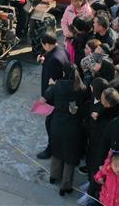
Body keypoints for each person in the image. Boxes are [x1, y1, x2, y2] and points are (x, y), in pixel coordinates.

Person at [43, 63, 88, 196]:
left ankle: (54, 175)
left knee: (57, 150)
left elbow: (47, 97)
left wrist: (51, 85)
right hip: (73, 127)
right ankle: (65, 185)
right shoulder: (82, 88)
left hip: (57, 123)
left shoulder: (58, 85)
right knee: (70, 156)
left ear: (64, 73)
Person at [36, 32, 72, 160]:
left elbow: (53, 83)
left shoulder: (53, 60)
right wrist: (43, 60)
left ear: (47, 44)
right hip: (60, 95)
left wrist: (45, 98)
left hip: (54, 99)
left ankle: (51, 148)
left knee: (50, 124)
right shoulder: (61, 51)